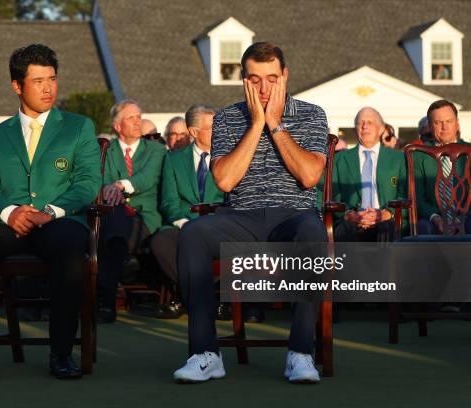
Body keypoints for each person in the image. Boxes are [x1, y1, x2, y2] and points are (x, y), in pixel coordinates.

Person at [173, 42, 328, 384]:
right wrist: (257, 123)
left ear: (285, 76)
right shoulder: (228, 118)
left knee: (313, 233)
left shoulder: (312, 114)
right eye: (254, 79)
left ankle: (301, 353)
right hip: (241, 217)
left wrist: (275, 124)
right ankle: (205, 354)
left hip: (294, 216)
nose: (264, 87)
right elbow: (226, 180)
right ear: (243, 79)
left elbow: (309, 176)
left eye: (272, 78)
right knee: (193, 233)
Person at [0, 44, 101, 380]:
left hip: (59, 220)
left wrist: (52, 211)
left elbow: (88, 183)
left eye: (53, 79)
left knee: (70, 252)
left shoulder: (79, 128)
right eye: (38, 81)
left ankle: (61, 354)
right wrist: (10, 211)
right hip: (5, 222)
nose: (48, 88)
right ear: (17, 86)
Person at [150, 104, 224, 319]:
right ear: (194, 132)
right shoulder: (173, 160)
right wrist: (184, 223)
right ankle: (202, 294)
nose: (218, 132)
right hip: (184, 224)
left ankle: (187, 297)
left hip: (218, 224)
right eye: (212, 128)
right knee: (160, 241)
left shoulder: (229, 157)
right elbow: (169, 202)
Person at [98, 100, 166, 323]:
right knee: (115, 230)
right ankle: (108, 298)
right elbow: (104, 180)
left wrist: (120, 186)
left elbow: (148, 178)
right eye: (131, 118)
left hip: (144, 214)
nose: (138, 122)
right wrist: (112, 189)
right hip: (114, 214)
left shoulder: (155, 149)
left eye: (139, 116)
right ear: (117, 126)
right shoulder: (106, 150)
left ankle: (106, 302)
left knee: (112, 239)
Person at [332, 108, 406, 242]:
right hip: (351, 221)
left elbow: (406, 194)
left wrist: (386, 214)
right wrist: (349, 215)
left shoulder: (399, 159)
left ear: (381, 129)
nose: (365, 126)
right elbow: (332, 195)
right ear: (355, 129)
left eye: (370, 122)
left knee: (387, 231)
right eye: (360, 123)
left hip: (387, 220)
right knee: (344, 232)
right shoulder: (339, 159)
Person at [415, 100, 470, 235]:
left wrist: (462, 217)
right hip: (432, 218)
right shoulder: (419, 154)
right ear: (429, 126)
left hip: (468, 216)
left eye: (449, 121)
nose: (444, 127)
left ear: (457, 123)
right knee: (423, 227)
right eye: (438, 122)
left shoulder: (469, 151)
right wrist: (435, 218)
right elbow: (417, 197)